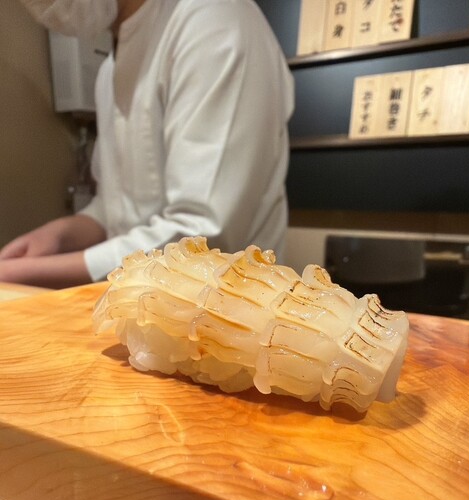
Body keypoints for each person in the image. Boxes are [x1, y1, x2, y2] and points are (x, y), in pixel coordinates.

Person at [0, 0, 294, 288]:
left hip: (228, 305)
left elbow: (204, 234)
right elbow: (113, 207)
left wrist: (26, 272)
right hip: (135, 303)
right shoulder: (109, 71)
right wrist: (58, 236)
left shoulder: (214, 22)